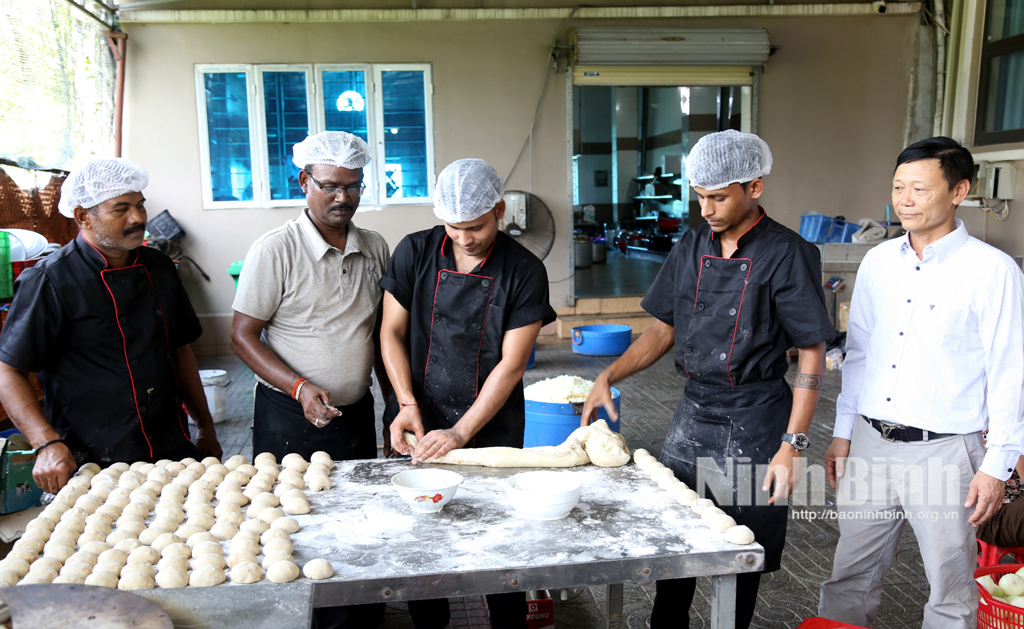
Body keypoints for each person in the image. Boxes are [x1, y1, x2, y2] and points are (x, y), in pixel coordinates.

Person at [581, 130, 834, 629]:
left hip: (756, 419)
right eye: (700, 196)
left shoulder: (788, 252)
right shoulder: (694, 242)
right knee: (677, 537)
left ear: (754, 188)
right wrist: (608, 374)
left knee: (738, 548)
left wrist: (793, 443)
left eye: (718, 196)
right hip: (693, 411)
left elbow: (811, 353)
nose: (706, 209)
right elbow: (663, 329)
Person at [818, 137, 1024, 629]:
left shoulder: (992, 271)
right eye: (898, 187)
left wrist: (998, 466)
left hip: (947, 451)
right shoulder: (879, 262)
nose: (904, 200)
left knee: (950, 586)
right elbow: (860, 355)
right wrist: (844, 432)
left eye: (919, 188)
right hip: (871, 439)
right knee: (850, 573)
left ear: (959, 191)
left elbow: (1009, 371)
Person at [381, 158, 557, 629]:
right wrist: (406, 405)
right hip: (415, 420)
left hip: (490, 425)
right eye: (453, 227)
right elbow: (391, 333)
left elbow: (512, 364)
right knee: (423, 542)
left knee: (498, 541)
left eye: (476, 227)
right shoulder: (414, 252)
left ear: (500, 209)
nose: (464, 238)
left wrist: (460, 432)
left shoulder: (524, 270)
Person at [230, 131, 391, 629]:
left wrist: (396, 408)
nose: (343, 197)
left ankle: (363, 615)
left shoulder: (374, 247)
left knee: (360, 523)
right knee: (299, 527)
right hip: (288, 417)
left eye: (354, 185)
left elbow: (384, 335)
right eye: (330, 186)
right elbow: (242, 335)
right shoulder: (275, 250)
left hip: (356, 413)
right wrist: (299, 387)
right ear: (304, 182)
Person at [0, 158, 222, 494]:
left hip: (169, 443)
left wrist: (204, 426)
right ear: (82, 217)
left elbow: (179, 349)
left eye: (140, 206)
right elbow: (9, 371)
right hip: (89, 456)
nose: (137, 218)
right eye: (121, 209)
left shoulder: (159, 267)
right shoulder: (50, 281)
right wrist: (45, 443)